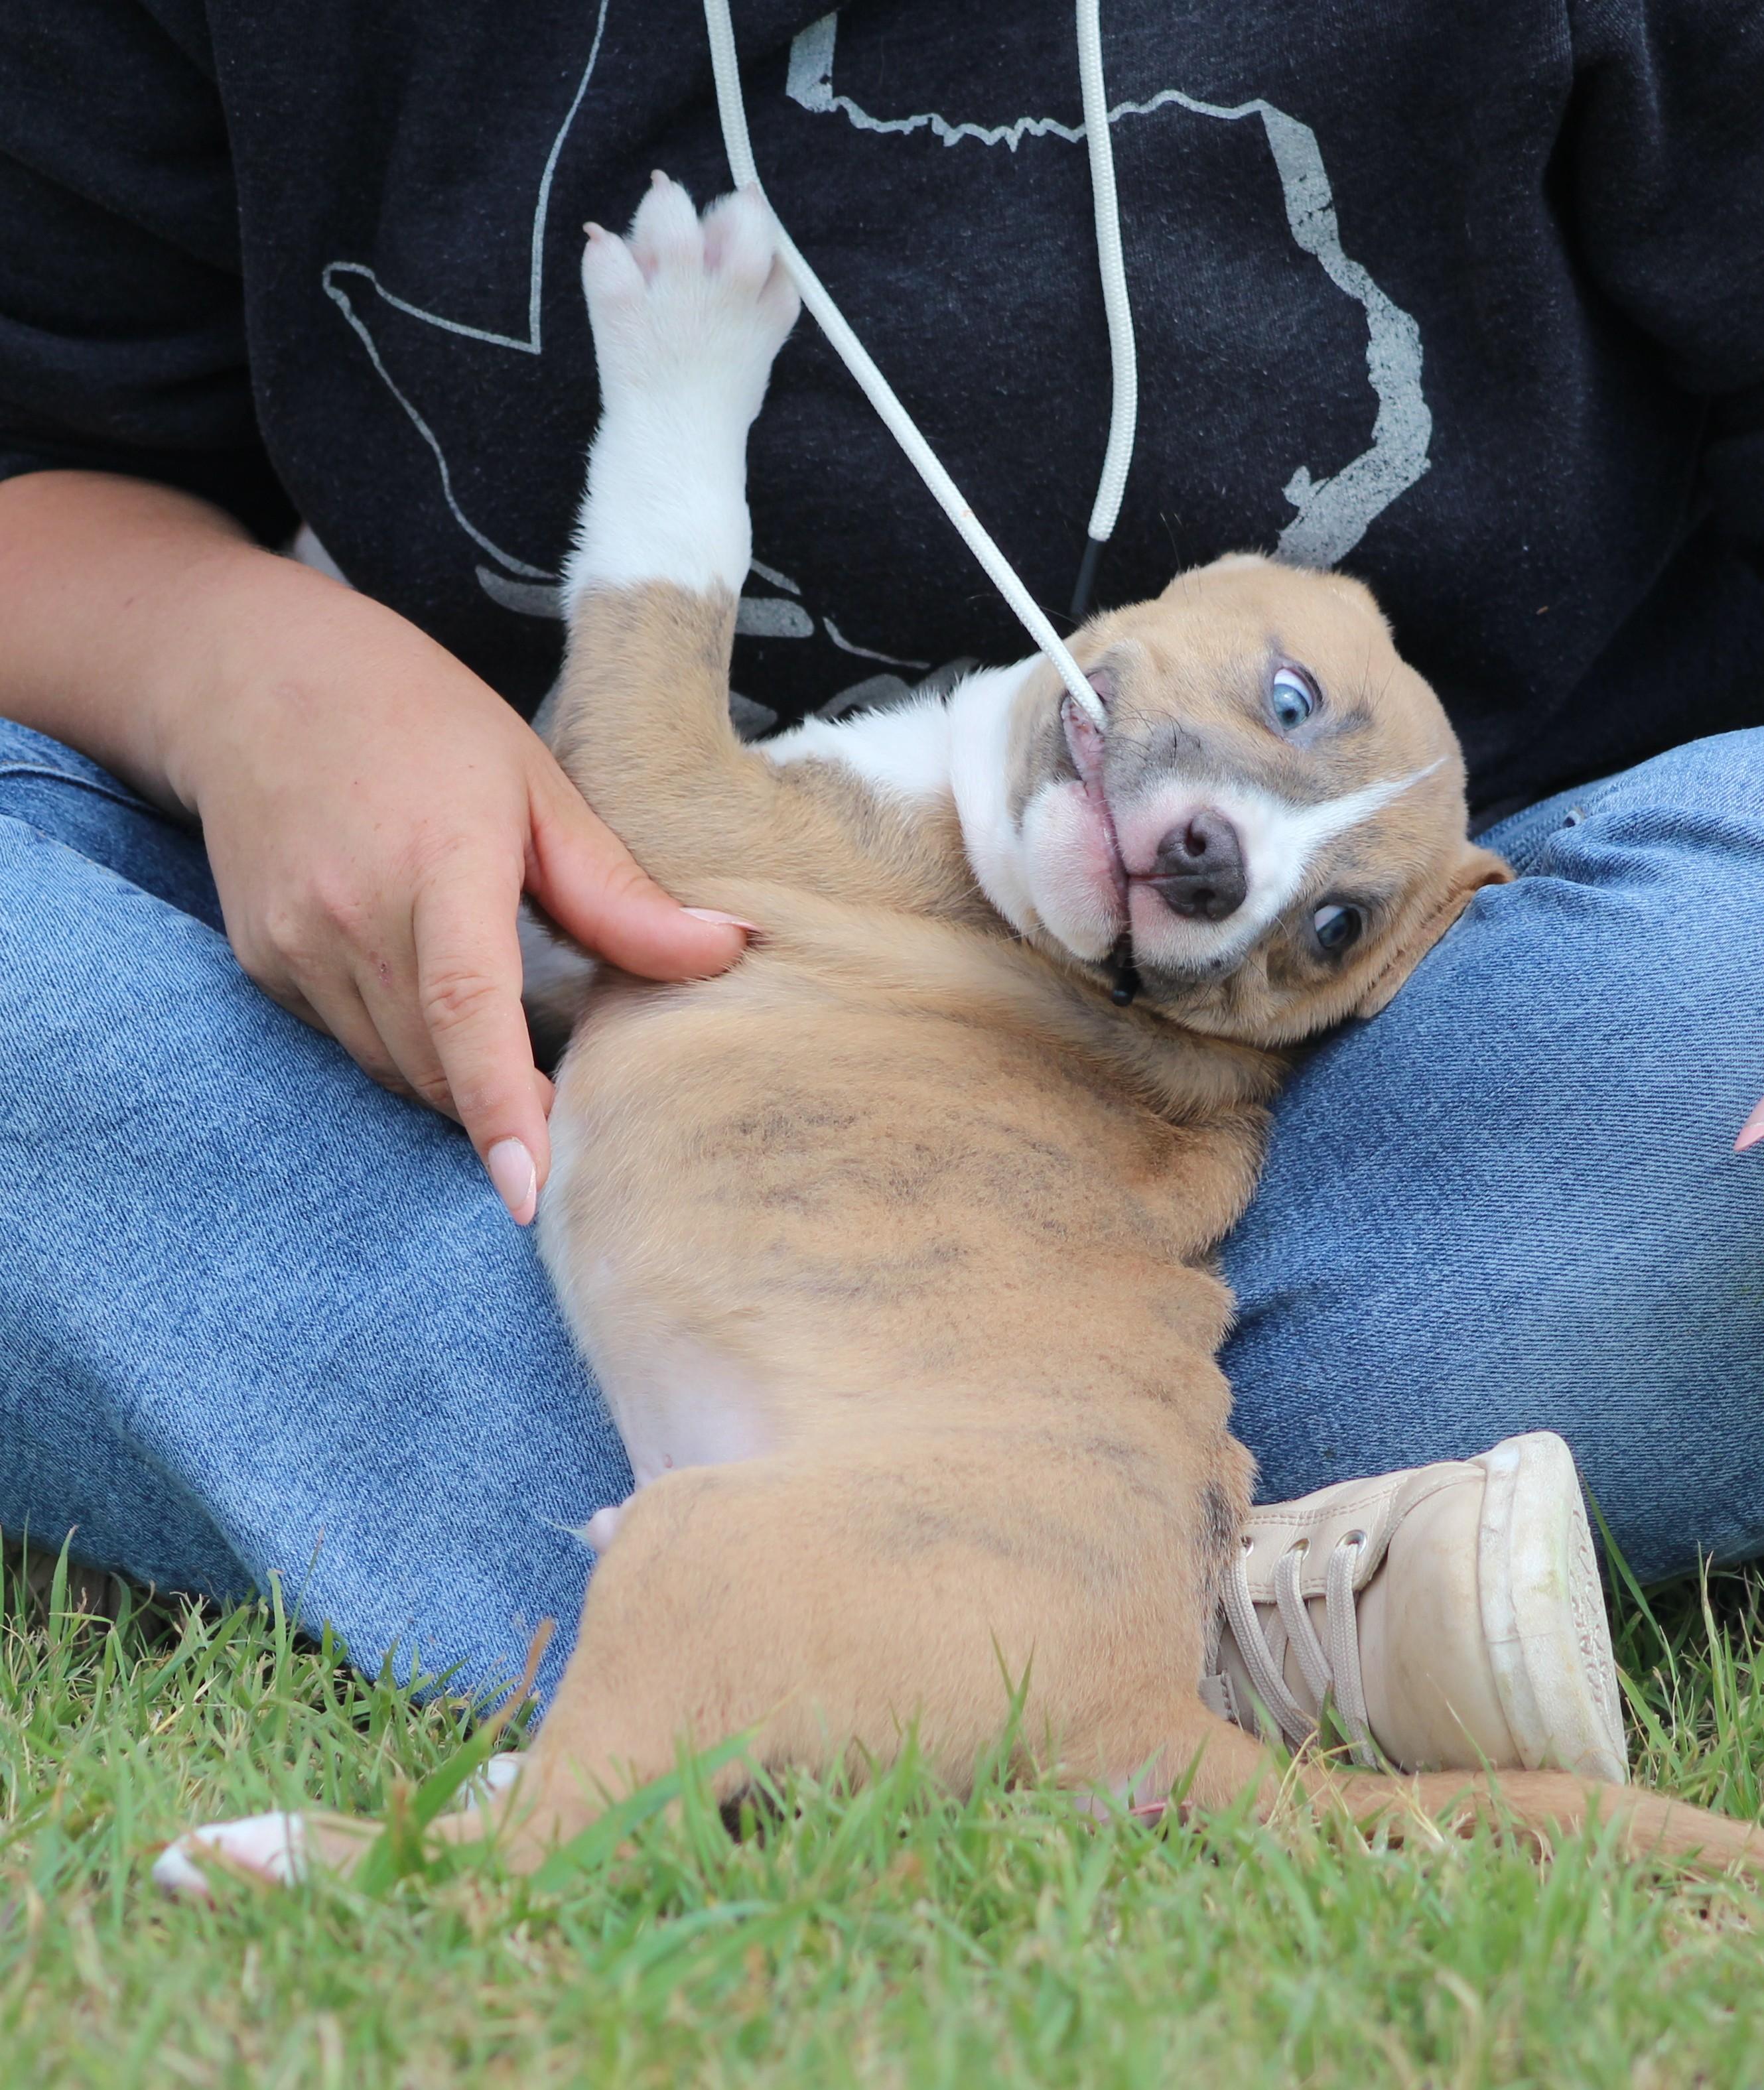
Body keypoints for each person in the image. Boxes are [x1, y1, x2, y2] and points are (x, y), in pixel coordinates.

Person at [0, 3, 1759, 1760]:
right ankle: (1102, 1616)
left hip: (1355, 1104)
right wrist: (241, 677)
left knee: (1712, 1010)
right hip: (419, 1057)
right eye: (1281, 711)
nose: (1222, 835)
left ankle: (832, 1584)